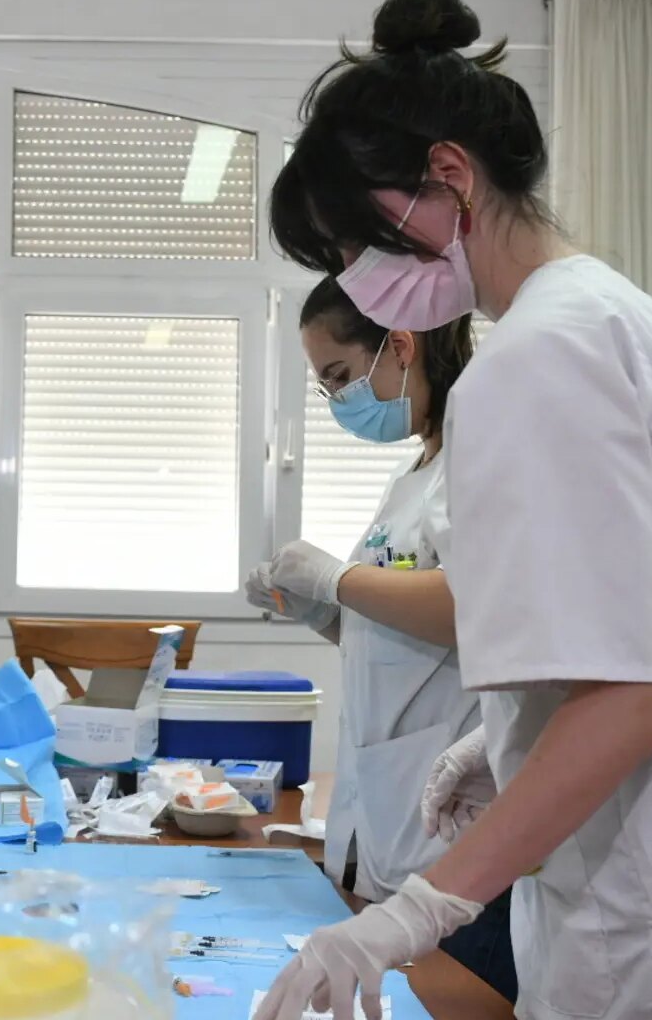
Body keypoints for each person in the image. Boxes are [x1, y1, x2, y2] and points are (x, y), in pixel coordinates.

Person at [258, 0, 652, 1020]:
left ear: (451, 178)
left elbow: (628, 701)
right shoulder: (620, 316)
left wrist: (411, 911)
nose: (359, 281)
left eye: (355, 244)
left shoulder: (532, 361)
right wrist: (504, 734)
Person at [244, 281, 514, 998]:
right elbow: (401, 636)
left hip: (450, 819)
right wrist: (325, 613)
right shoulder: (412, 472)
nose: (338, 404)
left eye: (339, 377)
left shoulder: (479, 453)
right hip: (386, 807)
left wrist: (336, 579)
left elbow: (480, 607)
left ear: (400, 344)